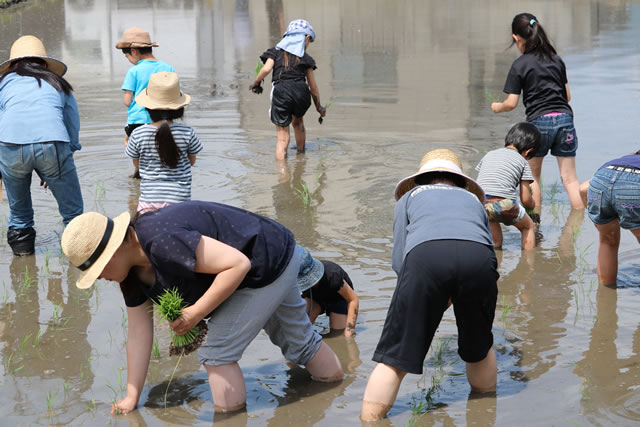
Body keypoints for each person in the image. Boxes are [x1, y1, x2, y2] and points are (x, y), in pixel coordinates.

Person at [60, 201, 343, 414]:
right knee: (299, 342)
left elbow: (238, 264)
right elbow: (137, 334)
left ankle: (230, 418)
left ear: (116, 248)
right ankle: (337, 393)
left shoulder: (161, 240)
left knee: (216, 353)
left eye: (99, 268)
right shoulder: (129, 274)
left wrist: (195, 313)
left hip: (263, 261)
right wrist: (131, 396)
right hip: (277, 252)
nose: (99, 277)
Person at [361, 149, 499, 421]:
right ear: (459, 181)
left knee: (395, 358)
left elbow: (401, 258)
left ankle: (371, 420)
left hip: (426, 258)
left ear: (421, 179)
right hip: (480, 260)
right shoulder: (473, 200)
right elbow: (487, 248)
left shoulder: (409, 198)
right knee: (479, 348)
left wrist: (421, 294)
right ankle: (482, 412)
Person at [491, 13, 584, 221]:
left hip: (538, 123)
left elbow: (511, 103)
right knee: (570, 179)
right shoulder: (556, 60)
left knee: (533, 178)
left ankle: (535, 226)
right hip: (564, 119)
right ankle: (577, 228)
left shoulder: (519, 65)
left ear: (516, 38)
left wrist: (497, 107)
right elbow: (567, 96)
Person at [0, 35, 83, 256]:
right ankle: (80, 266)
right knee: (73, 213)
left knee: (19, 214)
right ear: (44, 64)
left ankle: (23, 263)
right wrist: (64, 159)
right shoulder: (58, 83)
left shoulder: (2, 84)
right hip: (53, 145)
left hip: (9, 146)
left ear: (13, 64)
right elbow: (71, 123)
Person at [125, 72, 202, 214]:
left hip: (148, 202)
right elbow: (191, 161)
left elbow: (137, 165)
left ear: (148, 107)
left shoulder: (138, 134)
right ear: (179, 108)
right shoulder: (187, 132)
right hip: (180, 201)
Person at [250, 19, 326, 160]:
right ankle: (301, 156)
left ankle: (283, 175)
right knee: (298, 122)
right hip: (301, 93)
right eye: (310, 42)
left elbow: (266, 69)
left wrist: (257, 82)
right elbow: (313, 88)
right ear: (306, 38)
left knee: (283, 137)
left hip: (282, 92)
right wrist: (319, 107)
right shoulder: (306, 58)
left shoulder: (275, 52)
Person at [115, 26, 174, 169]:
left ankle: (139, 173)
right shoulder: (168, 68)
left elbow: (127, 101)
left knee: (132, 146)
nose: (128, 59)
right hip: (164, 120)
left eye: (127, 56)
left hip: (138, 120)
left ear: (133, 51)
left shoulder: (133, 71)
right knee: (161, 149)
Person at [475, 122, 540, 249]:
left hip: (481, 204)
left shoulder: (489, 154)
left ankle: (496, 262)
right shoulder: (522, 162)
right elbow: (526, 199)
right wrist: (532, 206)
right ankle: (528, 265)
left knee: (496, 242)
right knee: (528, 227)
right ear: (528, 152)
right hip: (504, 204)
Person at [580, 151, 640, 286]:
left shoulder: (622, 161)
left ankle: (607, 292)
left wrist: (598, 220)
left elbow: (583, 188)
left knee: (607, 240)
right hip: (634, 186)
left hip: (601, 181)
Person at [297, 248, 359, 338]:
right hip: (314, 298)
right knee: (301, 330)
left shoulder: (333, 275)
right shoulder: (295, 275)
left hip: (337, 299)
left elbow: (353, 299)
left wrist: (350, 329)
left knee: (337, 334)